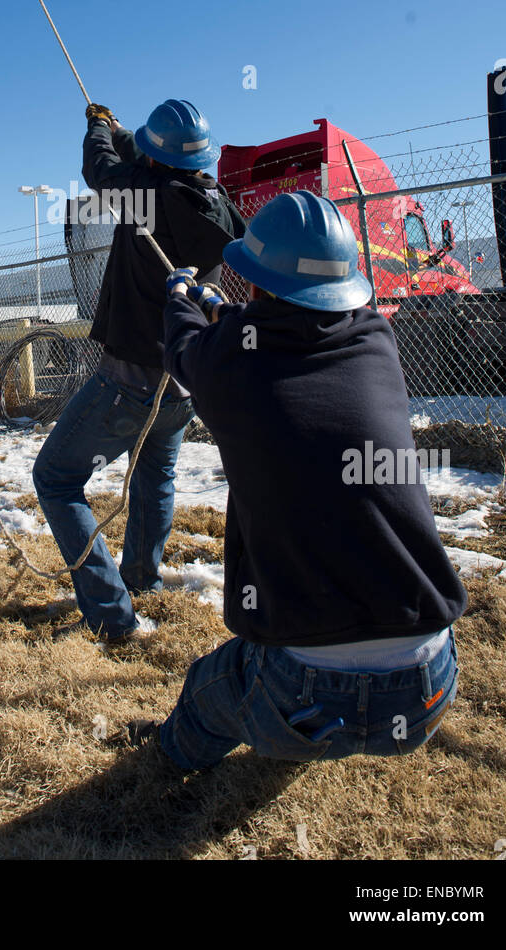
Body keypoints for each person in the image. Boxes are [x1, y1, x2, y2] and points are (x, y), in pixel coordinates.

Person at [124, 190, 466, 765]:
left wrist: (182, 296)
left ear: (256, 286)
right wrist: (225, 312)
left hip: (303, 689)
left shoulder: (227, 363)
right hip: (427, 682)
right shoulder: (376, 341)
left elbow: (185, 349)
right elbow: (287, 337)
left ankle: (169, 758)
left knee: (208, 690)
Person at [31, 99, 246, 643]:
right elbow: (143, 164)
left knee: (56, 478)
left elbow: (101, 171)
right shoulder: (213, 202)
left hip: (129, 381)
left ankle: (112, 616)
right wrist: (129, 133)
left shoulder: (146, 194)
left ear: (153, 161)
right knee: (155, 479)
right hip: (182, 379)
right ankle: (141, 580)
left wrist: (100, 128)